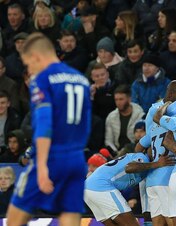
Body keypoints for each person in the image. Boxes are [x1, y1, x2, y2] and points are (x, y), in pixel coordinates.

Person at [6, 32, 92, 226]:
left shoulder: (42, 79)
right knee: (69, 214)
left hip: (52, 156)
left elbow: (45, 124)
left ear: (36, 57)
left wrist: (43, 165)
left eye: (28, 64)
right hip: (77, 158)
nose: (30, 69)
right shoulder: (81, 80)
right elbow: (86, 125)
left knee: (14, 215)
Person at [84, 149, 175, 226]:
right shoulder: (143, 158)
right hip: (101, 186)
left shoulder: (145, 166)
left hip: (88, 188)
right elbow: (129, 168)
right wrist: (157, 164)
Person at [105, 85, 145, 153]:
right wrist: (116, 152)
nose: (118, 103)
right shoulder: (111, 117)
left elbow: (143, 138)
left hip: (134, 150)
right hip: (116, 152)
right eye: (116, 100)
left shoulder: (140, 115)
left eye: (121, 99)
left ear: (129, 99)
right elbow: (108, 141)